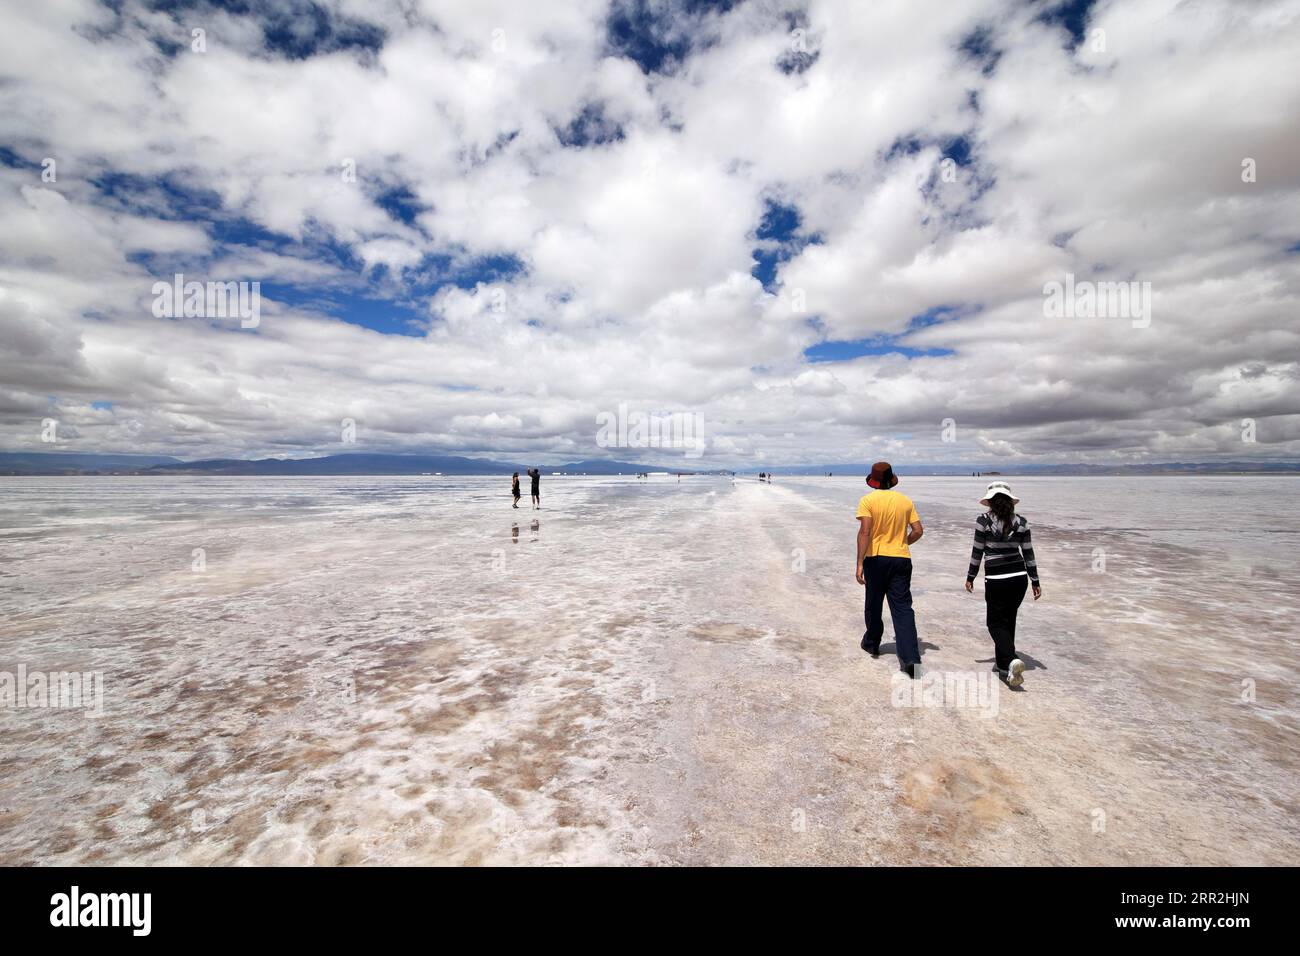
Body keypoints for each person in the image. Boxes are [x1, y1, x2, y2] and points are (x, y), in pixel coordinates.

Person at [965, 481, 1041, 688]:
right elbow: (1028, 553)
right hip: (1019, 578)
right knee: (1008, 620)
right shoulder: (1022, 522)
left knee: (995, 623)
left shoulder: (983, 521)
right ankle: (1003, 666)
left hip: (997, 579)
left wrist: (971, 576)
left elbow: (977, 551)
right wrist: (1035, 580)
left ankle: (1010, 657)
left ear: (989, 501)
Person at [854, 461, 924, 678]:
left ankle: (872, 643)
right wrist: (902, 543)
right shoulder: (905, 501)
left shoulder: (868, 500)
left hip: (875, 559)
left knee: (874, 603)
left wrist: (859, 562)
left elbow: (865, 531)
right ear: (891, 479)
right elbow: (918, 531)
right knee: (902, 608)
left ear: (873, 481)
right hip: (901, 559)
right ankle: (911, 658)